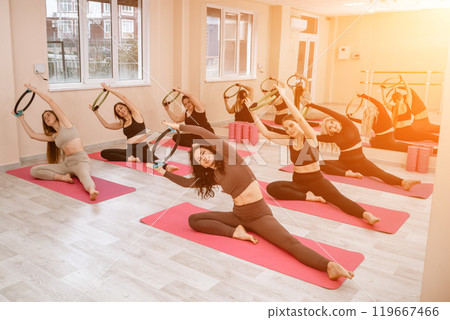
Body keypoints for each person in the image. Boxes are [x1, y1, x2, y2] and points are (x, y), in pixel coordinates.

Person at [154, 120, 354, 281]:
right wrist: (163, 172)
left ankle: (328, 265)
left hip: (259, 216)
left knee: (289, 243)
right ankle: (236, 233)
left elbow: (203, 132)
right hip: (239, 216)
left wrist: (179, 126)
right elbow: (186, 183)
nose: (203, 158)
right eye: (199, 158)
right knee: (194, 220)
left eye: (204, 153)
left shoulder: (230, 156)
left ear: (212, 150)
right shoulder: (213, 176)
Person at [248, 86, 380, 225]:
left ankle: (366, 214)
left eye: (292, 125)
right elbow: (267, 134)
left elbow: (299, 117)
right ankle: (308, 197)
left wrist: (284, 97)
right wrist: (252, 112)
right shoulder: (290, 141)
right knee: (272, 188)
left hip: (316, 180)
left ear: (299, 124)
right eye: (286, 128)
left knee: (338, 199)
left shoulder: (311, 137)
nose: (289, 130)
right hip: (298, 182)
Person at [308, 103, 421, 191]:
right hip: (344, 164)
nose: (333, 126)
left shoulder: (348, 124)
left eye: (332, 123)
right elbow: (315, 137)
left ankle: (403, 182)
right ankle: (348, 174)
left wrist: (312, 104)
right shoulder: (333, 137)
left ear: (336, 121)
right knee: (321, 164)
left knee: (380, 174)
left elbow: (330, 112)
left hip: (360, 162)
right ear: (330, 132)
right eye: (330, 128)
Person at [15, 84, 99, 200]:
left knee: (84, 175)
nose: (46, 118)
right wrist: (21, 119)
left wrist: (35, 90)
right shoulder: (54, 136)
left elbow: (50, 101)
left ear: (55, 115)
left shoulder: (66, 123)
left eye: (48, 115)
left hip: (81, 161)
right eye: (44, 118)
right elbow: (32, 135)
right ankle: (63, 177)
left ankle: (92, 190)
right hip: (67, 165)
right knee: (34, 170)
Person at [90, 83, 178, 171]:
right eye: (118, 111)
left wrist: (110, 90)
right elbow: (107, 125)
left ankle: (166, 166)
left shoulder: (136, 115)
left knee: (150, 158)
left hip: (141, 148)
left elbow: (124, 98)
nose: (121, 111)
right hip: (130, 151)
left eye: (121, 108)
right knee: (104, 153)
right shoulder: (123, 123)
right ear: (118, 115)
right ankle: (132, 159)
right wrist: (96, 113)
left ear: (126, 107)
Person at [380, 76, 438, 142]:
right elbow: (409, 91)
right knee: (429, 136)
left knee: (420, 132)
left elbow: (385, 101)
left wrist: (382, 91)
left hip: (397, 135)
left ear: (393, 100)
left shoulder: (392, 108)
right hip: (409, 133)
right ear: (402, 97)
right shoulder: (407, 104)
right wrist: (403, 80)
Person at [347, 93, 412, 153]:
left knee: (372, 140)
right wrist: (364, 96)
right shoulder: (382, 113)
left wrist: (351, 118)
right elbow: (377, 102)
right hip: (388, 140)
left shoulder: (369, 121)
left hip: (379, 142)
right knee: (404, 146)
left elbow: (361, 121)